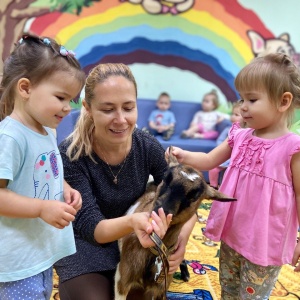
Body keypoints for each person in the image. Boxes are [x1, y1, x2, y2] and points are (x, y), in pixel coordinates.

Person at [54, 63, 197, 300]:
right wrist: (133, 222)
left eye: (128, 108)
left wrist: (180, 242)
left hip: (135, 241)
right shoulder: (72, 154)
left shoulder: (146, 145)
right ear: (88, 108)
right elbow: (92, 229)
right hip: (86, 244)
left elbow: (184, 198)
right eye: (108, 109)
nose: (121, 119)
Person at [166, 53, 300, 299]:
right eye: (241, 98)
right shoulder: (239, 136)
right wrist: (182, 154)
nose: (242, 107)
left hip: (265, 241)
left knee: (252, 295)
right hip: (233, 234)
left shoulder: (293, 148)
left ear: (283, 102)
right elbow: (209, 160)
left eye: (252, 99)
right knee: (228, 289)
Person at [0, 34, 86, 299]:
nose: (67, 108)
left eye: (71, 100)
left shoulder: (46, 130)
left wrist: (65, 187)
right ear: (25, 88)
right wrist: (41, 208)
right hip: (15, 261)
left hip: (39, 251)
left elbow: (45, 170)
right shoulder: (11, 137)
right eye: (61, 97)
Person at [208, 102, 245, 189]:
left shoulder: (247, 131)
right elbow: (220, 140)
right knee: (213, 169)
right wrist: (224, 147)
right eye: (232, 114)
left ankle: (226, 188)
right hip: (226, 155)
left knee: (229, 174)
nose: (232, 116)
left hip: (237, 159)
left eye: (236, 114)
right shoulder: (229, 129)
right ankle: (213, 186)